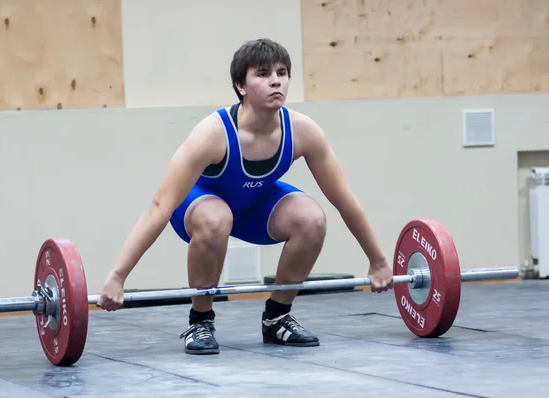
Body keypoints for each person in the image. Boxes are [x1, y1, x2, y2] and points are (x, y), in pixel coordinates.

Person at [97, 38, 394, 355]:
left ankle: (277, 318)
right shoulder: (212, 134)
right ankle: (200, 320)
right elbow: (159, 206)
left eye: (282, 72)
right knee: (215, 219)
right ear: (241, 85)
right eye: (263, 74)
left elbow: (343, 198)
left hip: (255, 206)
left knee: (312, 218)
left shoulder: (303, 131)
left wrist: (378, 260)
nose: (276, 80)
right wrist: (118, 276)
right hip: (200, 205)